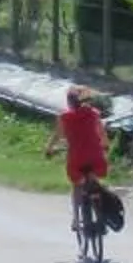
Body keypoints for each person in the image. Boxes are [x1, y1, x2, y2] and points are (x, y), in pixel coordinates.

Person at [45, 83, 111, 230]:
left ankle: (76, 219)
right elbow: (102, 134)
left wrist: (49, 149)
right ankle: (100, 210)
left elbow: (57, 136)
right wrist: (105, 146)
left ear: (69, 102)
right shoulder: (94, 114)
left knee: (77, 187)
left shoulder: (65, 117)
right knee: (94, 180)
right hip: (95, 156)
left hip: (77, 158)